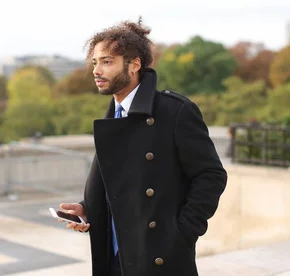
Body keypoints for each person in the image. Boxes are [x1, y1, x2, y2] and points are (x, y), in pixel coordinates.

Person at [59, 18, 227, 276]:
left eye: (107, 61)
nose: (97, 70)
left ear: (134, 65)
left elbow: (211, 175)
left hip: (161, 258)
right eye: (95, 62)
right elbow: (123, 185)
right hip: (116, 257)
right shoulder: (113, 118)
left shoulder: (175, 112)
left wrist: (182, 232)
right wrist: (87, 209)